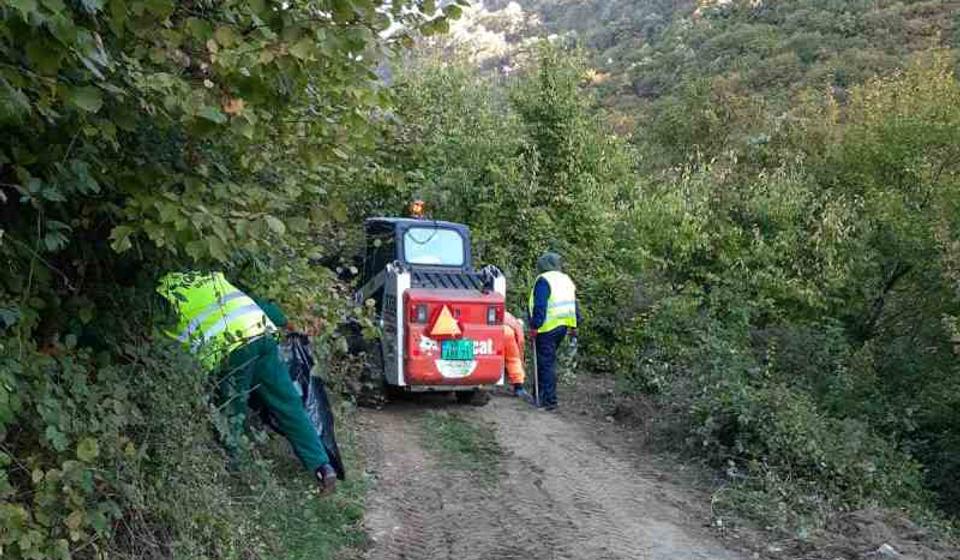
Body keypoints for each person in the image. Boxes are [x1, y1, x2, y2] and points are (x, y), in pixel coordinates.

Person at [156, 271, 338, 495]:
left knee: (232, 412)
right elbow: (258, 305)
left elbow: (163, 345)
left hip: (232, 347)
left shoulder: (161, 296)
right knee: (289, 404)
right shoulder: (208, 278)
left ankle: (239, 476)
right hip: (262, 334)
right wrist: (287, 322)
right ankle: (323, 466)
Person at [528, 252, 579, 411]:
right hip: (563, 325)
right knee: (546, 362)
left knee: (545, 363)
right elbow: (574, 303)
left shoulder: (544, 280)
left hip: (547, 327)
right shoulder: (566, 279)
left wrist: (535, 326)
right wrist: (576, 324)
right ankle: (538, 394)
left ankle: (548, 401)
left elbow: (540, 305)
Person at [503, 311, 533, 402]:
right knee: (513, 360)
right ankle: (518, 387)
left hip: (493, 331)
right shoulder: (517, 326)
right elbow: (520, 342)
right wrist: (521, 359)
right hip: (507, 334)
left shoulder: (506, 314)